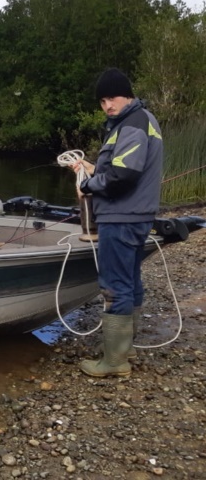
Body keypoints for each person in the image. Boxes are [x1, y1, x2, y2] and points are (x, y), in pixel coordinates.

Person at [73, 68, 163, 378]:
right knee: (131, 281)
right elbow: (120, 166)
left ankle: (113, 362)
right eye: (102, 101)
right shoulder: (136, 122)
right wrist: (91, 167)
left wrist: (87, 185)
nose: (107, 105)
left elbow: (123, 176)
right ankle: (126, 348)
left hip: (122, 217)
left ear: (127, 95)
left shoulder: (133, 123)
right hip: (135, 216)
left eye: (112, 98)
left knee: (115, 287)